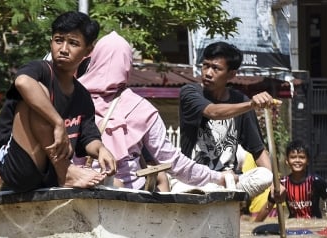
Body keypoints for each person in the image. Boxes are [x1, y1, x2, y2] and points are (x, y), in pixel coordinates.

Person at [75, 31, 233, 190]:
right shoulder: (140, 109)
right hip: (126, 201)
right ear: (127, 65)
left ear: (94, 59)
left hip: (72, 191)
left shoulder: (71, 97)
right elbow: (172, 161)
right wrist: (217, 177)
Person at [0, 11, 116, 192]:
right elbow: (22, 82)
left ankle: (64, 172)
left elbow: (88, 138)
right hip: (19, 165)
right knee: (38, 91)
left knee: (114, 184)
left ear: (88, 51)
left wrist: (101, 149)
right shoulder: (40, 70)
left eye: (73, 43)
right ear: (51, 42)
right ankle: (65, 171)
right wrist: (58, 123)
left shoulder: (82, 96)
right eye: (58, 40)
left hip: (48, 174)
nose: (63, 49)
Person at [179, 41, 277, 198]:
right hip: (193, 179)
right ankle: (217, 193)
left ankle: (221, 192)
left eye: (216, 68)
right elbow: (213, 112)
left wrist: (274, 186)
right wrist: (251, 104)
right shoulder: (190, 93)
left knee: (265, 175)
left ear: (231, 74)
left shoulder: (240, 101)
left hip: (229, 181)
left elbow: (258, 150)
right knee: (180, 185)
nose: (208, 73)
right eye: (205, 65)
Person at [279, 140, 327, 218]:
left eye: (302, 157)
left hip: (314, 225)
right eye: (293, 157)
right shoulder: (282, 183)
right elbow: (269, 205)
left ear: (308, 161)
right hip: (292, 226)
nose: (297, 160)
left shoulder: (316, 181)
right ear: (287, 161)